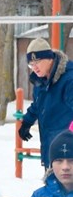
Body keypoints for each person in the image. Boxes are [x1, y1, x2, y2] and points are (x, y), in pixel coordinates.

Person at [18, 38, 73, 169]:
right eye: (31, 64)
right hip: (50, 145)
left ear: (49, 58)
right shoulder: (40, 82)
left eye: (37, 61)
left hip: (67, 150)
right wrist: (27, 122)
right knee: (52, 185)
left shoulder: (69, 80)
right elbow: (38, 105)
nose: (34, 67)